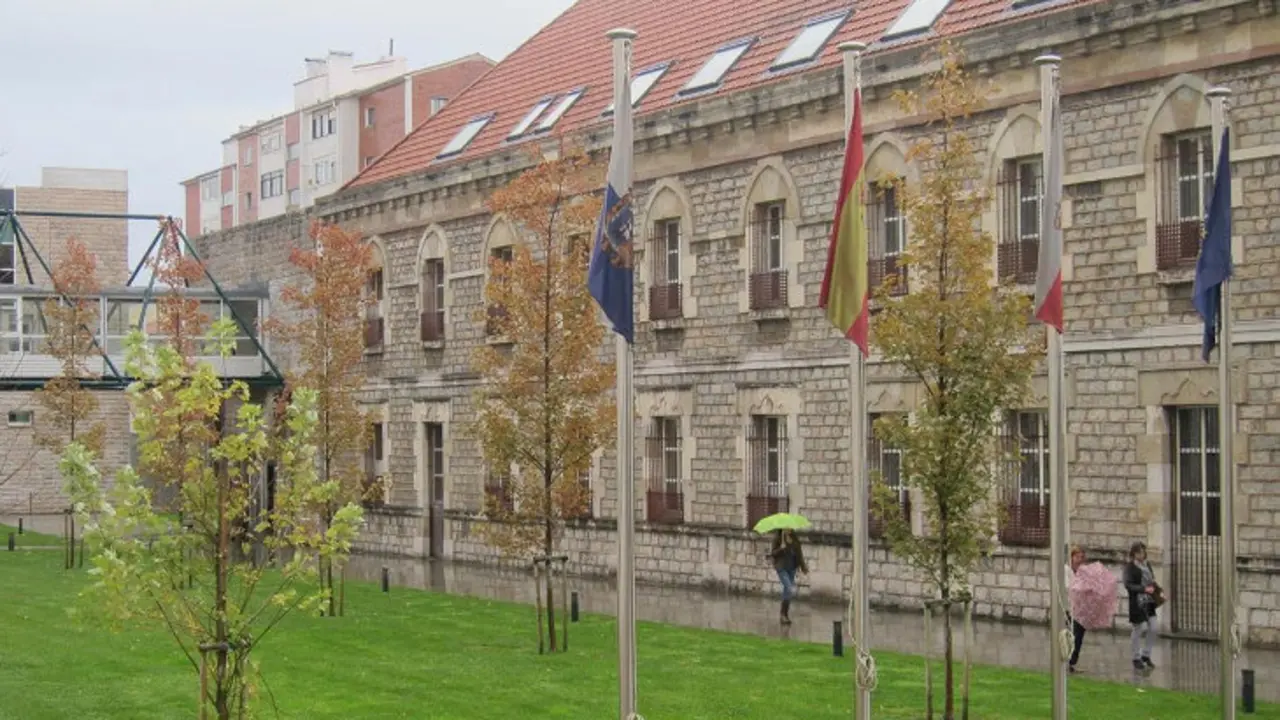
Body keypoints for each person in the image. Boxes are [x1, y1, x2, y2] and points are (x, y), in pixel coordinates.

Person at [1123, 541, 1160, 671]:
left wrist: (1159, 592)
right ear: (1134, 553)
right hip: (1137, 601)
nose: (1142, 554)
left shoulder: (1147, 565)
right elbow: (1128, 584)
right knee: (1139, 628)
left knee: (1154, 627)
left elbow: (1152, 580)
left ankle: (1146, 655)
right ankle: (1136, 657)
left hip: (1149, 600)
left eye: (1143, 552)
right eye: (1139, 552)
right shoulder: (1129, 567)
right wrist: (1143, 589)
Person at [770, 529, 808, 625]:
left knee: (787, 591)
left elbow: (799, 554)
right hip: (781, 568)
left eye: (790, 527)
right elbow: (773, 553)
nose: (789, 529)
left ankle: (784, 615)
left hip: (792, 568)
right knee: (789, 588)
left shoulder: (794, 538)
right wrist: (781, 548)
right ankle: (783, 614)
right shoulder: (778, 538)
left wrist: (803, 567)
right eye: (787, 527)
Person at [1064, 545, 1087, 673]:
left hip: (1080, 608)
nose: (1079, 560)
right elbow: (1069, 587)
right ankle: (1068, 660)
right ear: (1072, 557)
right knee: (1073, 634)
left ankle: (1072, 662)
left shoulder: (1082, 572)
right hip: (1070, 607)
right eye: (1077, 557)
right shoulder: (1066, 570)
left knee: (1079, 635)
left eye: (1081, 557)